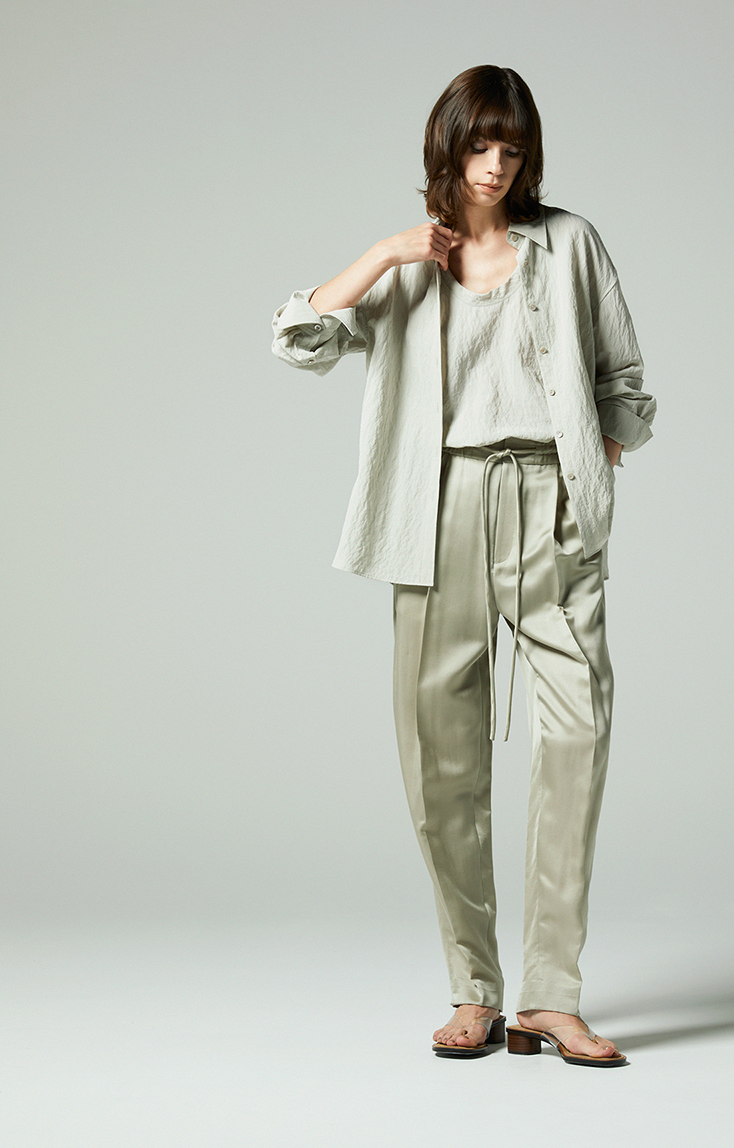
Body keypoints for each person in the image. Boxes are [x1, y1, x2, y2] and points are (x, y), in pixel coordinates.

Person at [271, 65, 655, 1067]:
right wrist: (384, 252)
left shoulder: (569, 243)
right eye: (479, 146)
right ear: (446, 148)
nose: (494, 166)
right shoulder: (412, 263)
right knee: (440, 749)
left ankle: (551, 997)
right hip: (436, 505)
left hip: (548, 501)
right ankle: (474, 990)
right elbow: (299, 338)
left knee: (578, 728)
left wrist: (598, 453)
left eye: (511, 150)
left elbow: (622, 375)